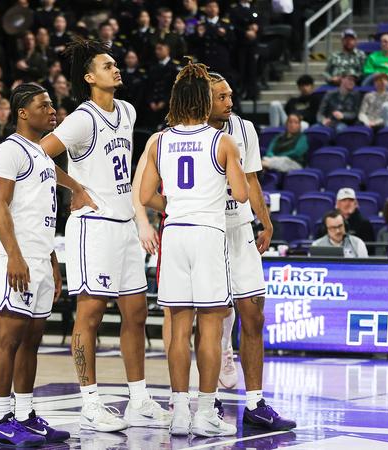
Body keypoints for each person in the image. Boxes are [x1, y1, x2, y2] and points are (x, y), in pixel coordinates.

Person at [40, 37, 170, 432]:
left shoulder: (127, 111)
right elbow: (39, 152)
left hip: (125, 223)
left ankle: (139, 399)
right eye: (107, 65)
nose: (116, 69)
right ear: (89, 76)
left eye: (116, 64)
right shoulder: (81, 118)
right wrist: (75, 188)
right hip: (92, 227)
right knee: (91, 314)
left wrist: (144, 208)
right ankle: (90, 402)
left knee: (136, 312)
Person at [139, 62, 248, 437]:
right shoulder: (222, 141)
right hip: (207, 233)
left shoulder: (159, 140)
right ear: (204, 100)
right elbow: (243, 193)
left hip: (175, 234)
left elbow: (145, 195)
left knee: (179, 327)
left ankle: (180, 411)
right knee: (211, 328)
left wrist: (175, 205)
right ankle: (205, 412)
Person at [204, 71, 295, 429]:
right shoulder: (189, 131)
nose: (230, 103)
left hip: (240, 228)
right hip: (206, 232)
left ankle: (255, 403)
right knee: (209, 321)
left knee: (254, 316)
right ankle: (206, 400)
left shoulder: (244, 129)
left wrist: (265, 220)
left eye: (230, 95)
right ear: (203, 100)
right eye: (221, 97)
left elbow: (253, 177)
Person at [0, 83, 70, 445]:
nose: (52, 110)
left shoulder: (42, 155)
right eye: (44, 105)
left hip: (39, 254)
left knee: (32, 339)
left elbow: (42, 213)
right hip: (13, 256)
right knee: (9, 337)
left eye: (52, 104)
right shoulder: (9, 150)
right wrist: (15, 257)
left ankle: (25, 412)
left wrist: (51, 260)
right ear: (23, 112)